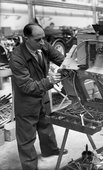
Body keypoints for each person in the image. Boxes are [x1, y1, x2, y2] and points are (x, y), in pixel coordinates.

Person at [9, 23, 67, 170]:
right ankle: (29, 166)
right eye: (38, 40)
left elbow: (61, 59)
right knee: (26, 137)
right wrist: (49, 81)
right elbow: (27, 86)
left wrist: (72, 65)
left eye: (44, 38)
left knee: (46, 124)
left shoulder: (43, 45)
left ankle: (50, 150)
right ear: (26, 38)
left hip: (42, 94)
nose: (43, 42)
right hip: (26, 101)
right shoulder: (16, 57)